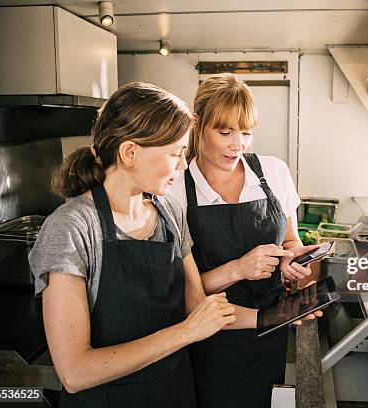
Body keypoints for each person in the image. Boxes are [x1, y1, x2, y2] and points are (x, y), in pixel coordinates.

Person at [29, 82, 237, 407]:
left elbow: (196, 305)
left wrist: (278, 316)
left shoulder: (168, 212)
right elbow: (74, 372)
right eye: (175, 152)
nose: (183, 165)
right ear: (129, 153)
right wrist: (185, 332)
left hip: (175, 393)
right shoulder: (72, 227)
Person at [170, 73, 322, 408]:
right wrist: (239, 268)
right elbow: (178, 290)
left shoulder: (274, 172)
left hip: (271, 325)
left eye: (246, 132)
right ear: (198, 125)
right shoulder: (176, 189)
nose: (238, 144)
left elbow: (291, 239)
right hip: (209, 336)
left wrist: (292, 259)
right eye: (224, 132)